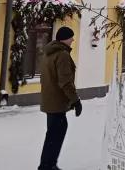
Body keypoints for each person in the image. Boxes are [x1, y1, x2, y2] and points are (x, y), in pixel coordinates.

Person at [38, 26, 83, 170]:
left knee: (53, 133)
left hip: (49, 100)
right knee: (56, 134)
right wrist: (76, 100)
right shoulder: (62, 54)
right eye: (71, 37)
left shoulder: (49, 53)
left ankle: (48, 164)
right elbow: (65, 81)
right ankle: (47, 165)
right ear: (65, 39)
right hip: (56, 102)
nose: (73, 40)